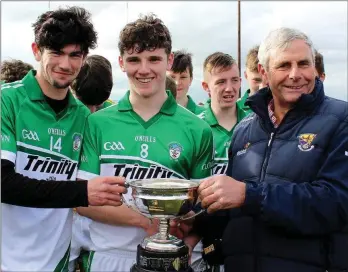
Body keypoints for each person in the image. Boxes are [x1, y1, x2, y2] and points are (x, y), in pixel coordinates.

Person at [193, 27, 348, 272]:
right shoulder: (244, 129)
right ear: (264, 73)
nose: (295, 74)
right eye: (284, 65)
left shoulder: (341, 119)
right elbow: (233, 208)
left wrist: (249, 195)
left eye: (304, 64)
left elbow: (337, 203)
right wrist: (194, 222)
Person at [75, 14, 214, 272]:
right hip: (108, 256)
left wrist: (187, 231)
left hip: (170, 260)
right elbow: (82, 202)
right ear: (121, 63)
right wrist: (144, 220)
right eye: (134, 60)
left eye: (154, 59)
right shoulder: (97, 124)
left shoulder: (198, 129)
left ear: (169, 60)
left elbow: (199, 209)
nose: (144, 69)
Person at [1, 7, 126, 272]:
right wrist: (82, 193)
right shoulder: (7, 101)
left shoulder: (84, 118)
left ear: (84, 57)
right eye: (56, 52)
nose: (65, 65)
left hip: (58, 262)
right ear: (37, 50)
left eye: (74, 55)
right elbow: (4, 184)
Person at [190, 52, 248, 271]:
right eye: (221, 82)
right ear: (206, 86)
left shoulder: (256, 124)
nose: (229, 88)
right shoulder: (194, 128)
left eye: (234, 80)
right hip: (203, 238)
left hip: (246, 234)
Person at [69, 54, 115, 272]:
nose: (91, 113)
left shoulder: (113, 117)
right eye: (85, 104)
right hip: (65, 215)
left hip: (98, 216)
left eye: (97, 105)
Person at [168, 50, 204, 114]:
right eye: (172, 77)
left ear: (191, 80)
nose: (177, 83)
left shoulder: (203, 116)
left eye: (183, 77)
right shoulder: (152, 113)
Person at [237, 45, 262, 114]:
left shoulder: (282, 107)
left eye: (267, 80)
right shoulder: (235, 108)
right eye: (257, 80)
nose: (262, 86)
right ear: (246, 75)